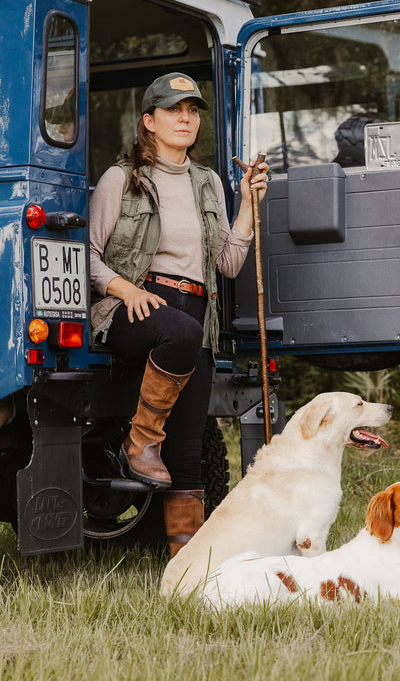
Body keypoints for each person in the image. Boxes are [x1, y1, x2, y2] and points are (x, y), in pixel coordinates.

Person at [89, 71, 268, 556]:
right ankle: (139, 444)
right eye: (173, 110)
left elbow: (229, 264)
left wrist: (249, 205)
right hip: (136, 305)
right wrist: (125, 290)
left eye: (192, 111)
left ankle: (186, 568)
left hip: (196, 316)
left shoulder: (208, 182)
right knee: (179, 331)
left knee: (188, 454)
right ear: (149, 121)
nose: (185, 118)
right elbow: (87, 256)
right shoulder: (121, 179)